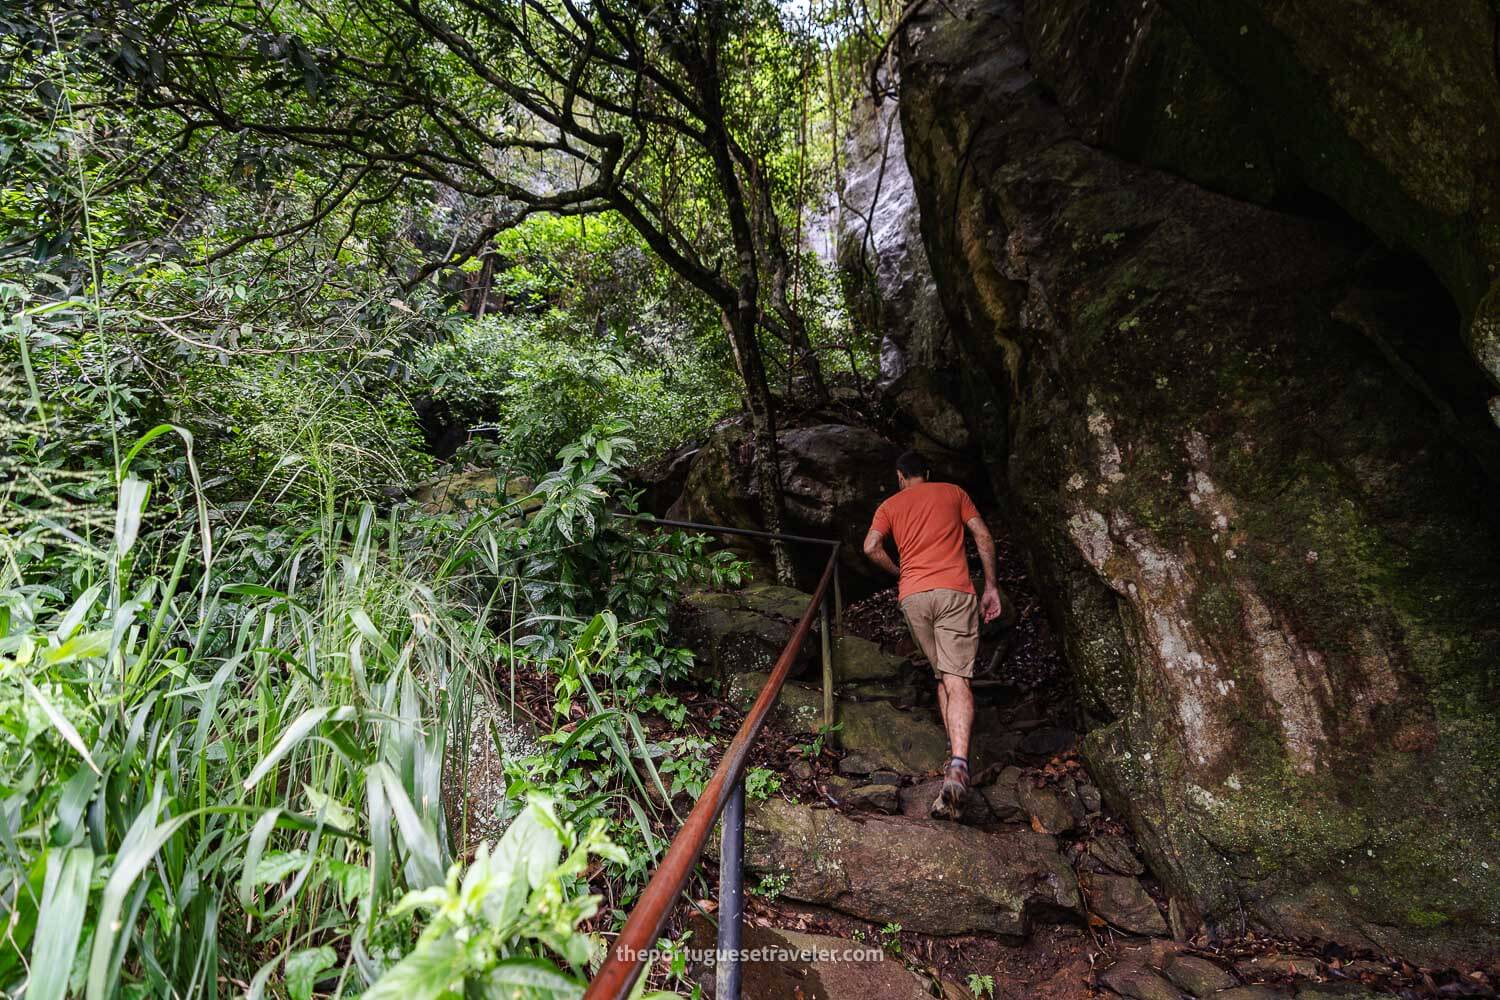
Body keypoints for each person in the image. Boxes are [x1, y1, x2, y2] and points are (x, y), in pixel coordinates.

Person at [862, 451, 1001, 819]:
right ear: (926, 473)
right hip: (954, 591)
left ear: (900, 476)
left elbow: (870, 547)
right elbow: (983, 536)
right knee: (957, 679)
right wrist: (990, 586)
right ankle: (958, 764)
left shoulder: (889, 505)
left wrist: (900, 573)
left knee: (942, 676)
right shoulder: (954, 493)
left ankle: (953, 760)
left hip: (914, 597)